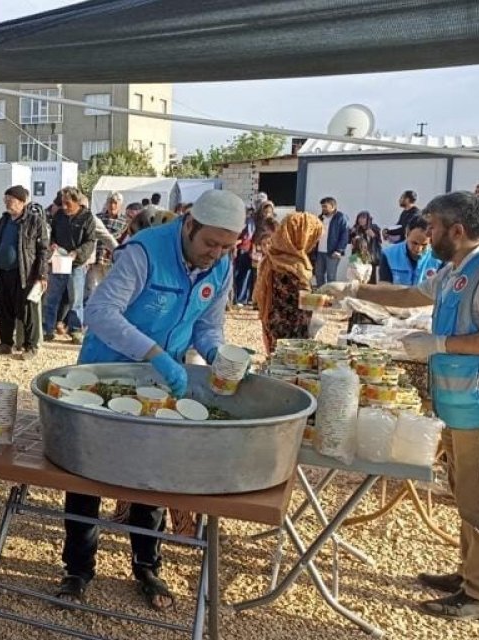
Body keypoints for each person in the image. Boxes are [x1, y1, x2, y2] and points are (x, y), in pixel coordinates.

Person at [322, 190, 479, 622]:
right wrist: (354, 289)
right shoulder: (458, 266)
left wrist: (439, 344)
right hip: (466, 404)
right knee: (464, 490)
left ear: (457, 230)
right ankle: (468, 573)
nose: (428, 232)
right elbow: (411, 296)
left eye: (435, 226)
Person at [57, 190, 245, 610]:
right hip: (105, 374)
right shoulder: (144, 252)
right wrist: (155, 354)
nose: (215, 254)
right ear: (189, 225)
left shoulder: (222, 265)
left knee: (153, 471)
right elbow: (102, 312)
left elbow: (207, 327)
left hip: (163, 381)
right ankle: (77, 568)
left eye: (225, 247)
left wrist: (218, 355)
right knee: (89, 473)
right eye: (209, 243)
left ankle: (147, 565)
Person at [0, 189, 51, 359]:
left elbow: (43, 250)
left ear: (22, 202)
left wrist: (42, 275)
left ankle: (30, 346)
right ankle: (6, 343)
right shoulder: (4, 220)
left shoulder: (35, 221)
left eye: (11, 199)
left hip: (24, 273)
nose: (7, 202)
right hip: (2, 272)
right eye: (6, 199)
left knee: (26, 310)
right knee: (3, 309)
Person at [255, 212, 324, 353]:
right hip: (290, 331)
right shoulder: (289, 264)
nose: (314, 242)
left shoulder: (275, 256)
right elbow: (301, 299)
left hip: (275, 324)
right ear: (300, 236)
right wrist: (328, 300)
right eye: (312, 237)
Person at [43, 186, 96, 344]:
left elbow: (90, 241)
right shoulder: (59, 215)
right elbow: (53, 235)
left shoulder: (87, 217)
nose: (64, 207)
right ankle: (48, 329)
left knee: (76, 299)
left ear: (77, 201)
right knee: (52, 297)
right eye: (62, 203)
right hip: (59, 262)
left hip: (76, 265)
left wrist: (77, 253)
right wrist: (53, 245)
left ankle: (75, 330)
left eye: (68, 203)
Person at [379, 218, 442, 286]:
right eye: (414, 243)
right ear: (406, 235)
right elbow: (384, 288)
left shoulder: (439, 259)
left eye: (424, 245)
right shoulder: (388, 255)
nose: (418, 249)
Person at [314, 197, 348, 286]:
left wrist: (339, 250)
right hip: (319, 252)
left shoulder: (341, 217)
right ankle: (320, 296)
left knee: (331, 277)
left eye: (325, 206)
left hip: (333, 252)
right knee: (318, 275)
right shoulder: (320, 218)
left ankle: (331, 297)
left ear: (333, 206)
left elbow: (344, 235)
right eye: (322, 207)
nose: (323, 209)